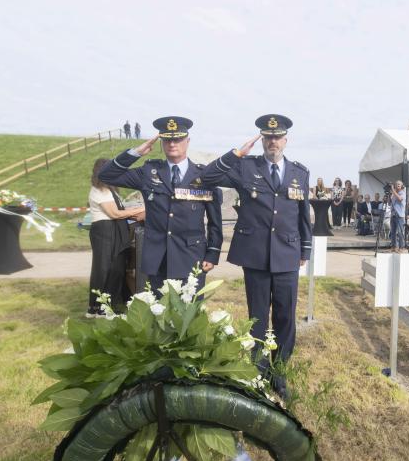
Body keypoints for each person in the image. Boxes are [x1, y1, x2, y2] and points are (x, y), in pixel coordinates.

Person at [202, 114, 311, 399]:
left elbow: (303, 215)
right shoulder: (245, 167)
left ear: (286, 140)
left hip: (287, 253)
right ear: (261, 140)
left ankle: (280, 374)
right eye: (268, 137)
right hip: (256, 256)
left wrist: (305, 250)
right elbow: (209, 176)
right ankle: (260, 373)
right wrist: (237, 152)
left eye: (277, 137)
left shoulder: (300, 173)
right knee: (258, 318)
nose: (273, 141)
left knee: (286, 317)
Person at [99, 116, 223, 293]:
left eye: (178, 139)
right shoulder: (148, 173)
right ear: (161, 142)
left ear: (187, 141)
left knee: (189, 316)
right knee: (160, 313)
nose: (172, 144)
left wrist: (212, 253)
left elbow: (215, 222)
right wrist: (136, 153)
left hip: (191, 257)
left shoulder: (204, 175)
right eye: (167, 140)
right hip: (158, 259)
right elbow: (106, 175)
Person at [87, 158, 145, 317]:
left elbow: (121, 210)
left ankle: (110, 304)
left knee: (117, 268)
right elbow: (114, 214)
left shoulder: (111, 190)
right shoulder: (99, 191)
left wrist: (134, 211)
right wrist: (140, 209)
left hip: (115, 230)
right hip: (105, 231)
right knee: (104, 268)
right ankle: (96, 307)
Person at [389, 180, 406, 252]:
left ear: (401, 185)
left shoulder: (403, 193)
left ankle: (401, 247)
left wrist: (393, 190)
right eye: (396, 184)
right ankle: (393, 247)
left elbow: (400, 198)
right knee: (393, 232)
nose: (398, 185)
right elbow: (390, 203)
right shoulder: (393, 193)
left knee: (400, 232)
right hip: (393, 214)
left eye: (399, 184)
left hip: (400, 215)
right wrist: (390, 195)